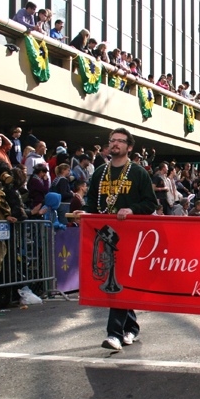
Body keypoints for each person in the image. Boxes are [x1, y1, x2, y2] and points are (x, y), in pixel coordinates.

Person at [80, 127, 157, 351]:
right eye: (112, 141)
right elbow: (92, 203)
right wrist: (85, 213)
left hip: (131, 237)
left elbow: (150, 204)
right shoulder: (99, 172)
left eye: (120, 141)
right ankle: (130, 328)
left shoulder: (139, 172)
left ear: (129, 147)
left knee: (119, 282)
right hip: (105, 235)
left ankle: (114, 334)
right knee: (120, 283)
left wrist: (132, 210)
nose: (115, 144)